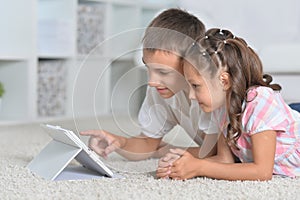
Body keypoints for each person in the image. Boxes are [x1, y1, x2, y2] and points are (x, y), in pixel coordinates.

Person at [157, 28, 300, 180]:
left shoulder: (259, 100)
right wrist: (181, 165)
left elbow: (262, 172)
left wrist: (199, 167)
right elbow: (224, 160)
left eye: (196, 86)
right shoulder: (221, 107)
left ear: (224, 81)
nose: (191, 96)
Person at [80, 8, 219, 161]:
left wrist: (168, 151)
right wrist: (119, 142)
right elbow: (147, 143)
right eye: (148, 68)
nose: (152, 82)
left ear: (190, 64)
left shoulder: (213, 94)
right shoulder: (161, 91)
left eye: (163, 72)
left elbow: (220, 154)